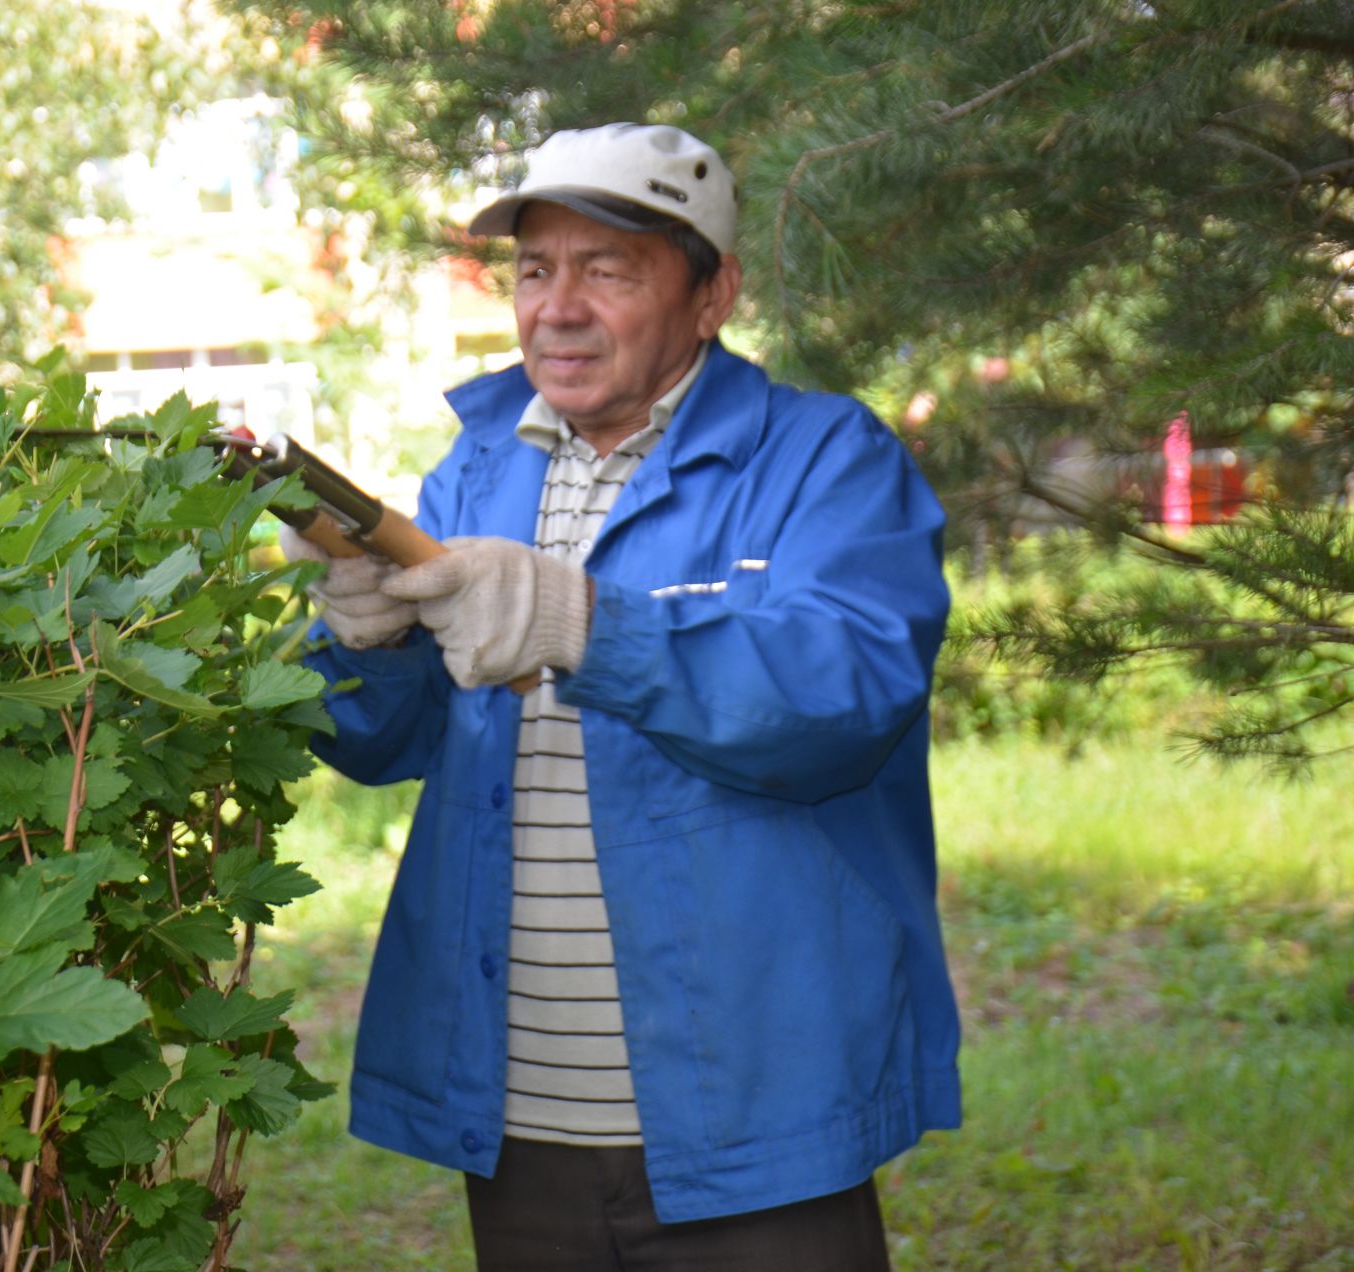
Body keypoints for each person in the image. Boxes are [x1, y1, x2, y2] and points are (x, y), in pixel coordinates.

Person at [282, 122, 959, 1270]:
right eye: (537, 269)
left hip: (756, 1110)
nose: (560, 307)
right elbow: (387, 742)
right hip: (518, 1114)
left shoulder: (826, 460)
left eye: (609, 270)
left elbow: (841, 698)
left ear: (713, 295)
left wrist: (586, 625)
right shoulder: (480, 467)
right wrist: (366, 641)